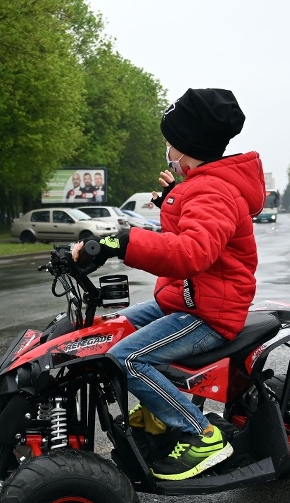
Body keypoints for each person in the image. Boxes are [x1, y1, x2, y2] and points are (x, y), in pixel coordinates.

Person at [72, 87, 265, 481]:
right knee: (112, 330)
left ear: (186, 143)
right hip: (187, 299)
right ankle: (155, 414)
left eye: (169, 141)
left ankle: (202, 435)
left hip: (210, 310)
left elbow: (191, 252)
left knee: (128, 357)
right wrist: (170, 201)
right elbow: (196, 230)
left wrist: (119, 241)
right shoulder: (201, 183)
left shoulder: (214, 189)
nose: (166, 147)